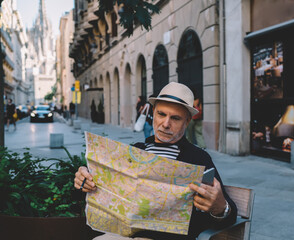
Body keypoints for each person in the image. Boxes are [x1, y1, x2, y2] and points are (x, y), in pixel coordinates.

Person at [74, 82, 237, 240]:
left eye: (175, 118)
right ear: (153, 113)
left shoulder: (198, 159)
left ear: (187, 121)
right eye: (161, 114)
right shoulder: (136, 150)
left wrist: (221, 207)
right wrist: (86, 178)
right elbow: (104, 190)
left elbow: (228, 214)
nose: (166, 124)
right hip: (123, 234)